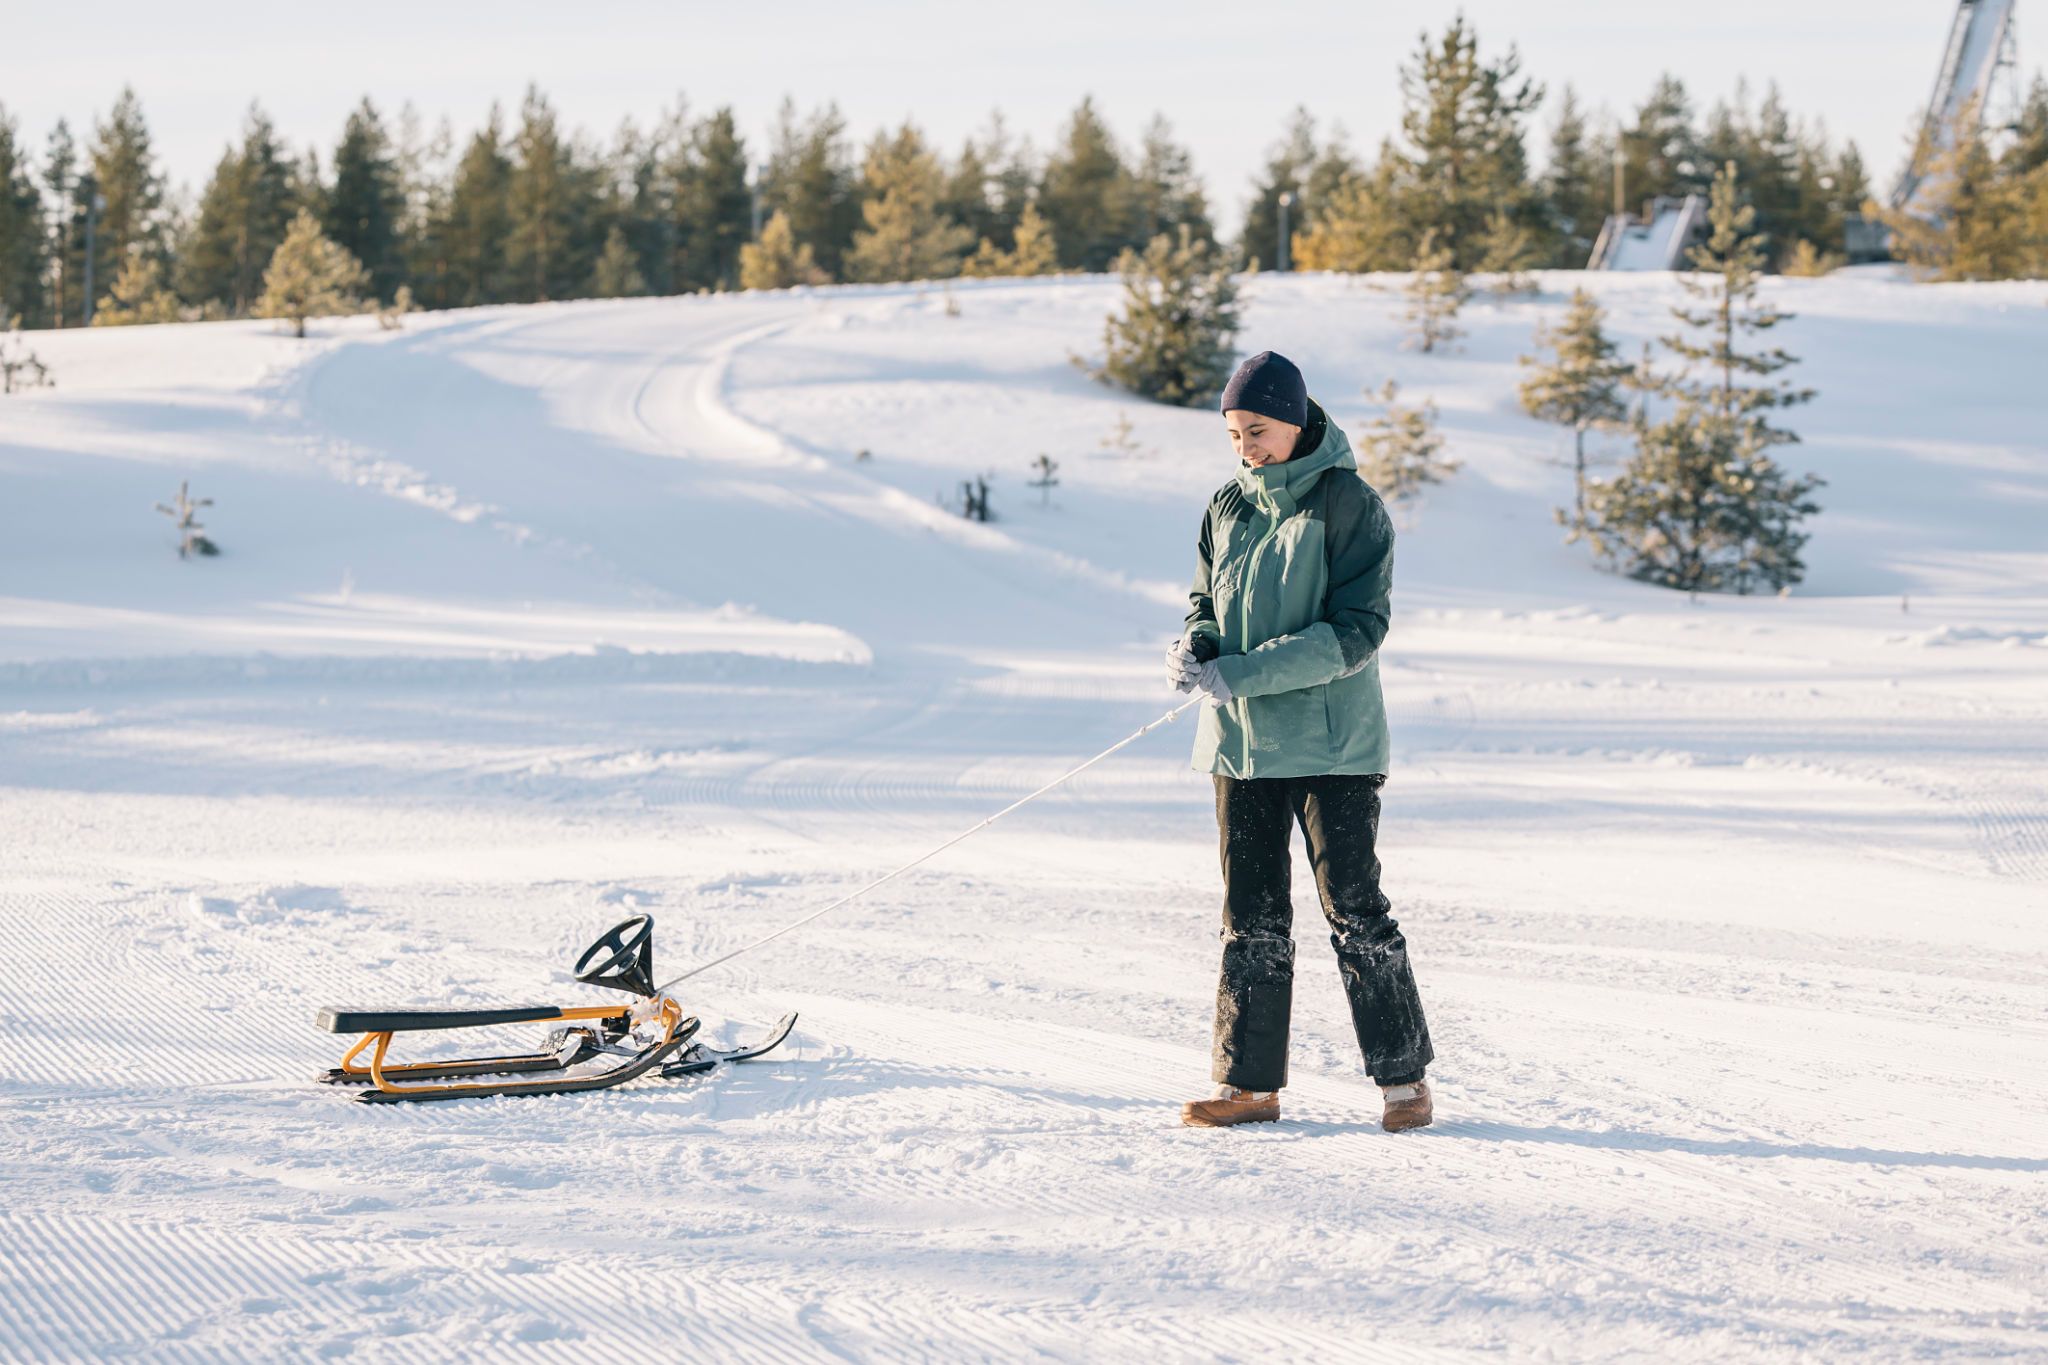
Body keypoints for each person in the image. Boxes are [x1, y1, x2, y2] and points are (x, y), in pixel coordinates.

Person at [1165, 350, 1434, 1132]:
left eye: (1257, 430)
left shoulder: (1348, 503)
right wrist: (1197, 646)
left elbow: (1356, 632)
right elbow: (1204, 601)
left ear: (1294, 419)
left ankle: (1404, 1081)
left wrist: (1243, 672)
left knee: (1354, 908)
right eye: (1234, 434)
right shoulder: (1227, 506)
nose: (1245, 447)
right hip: (1241, 746)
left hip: (1332, 746)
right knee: (1250, 916)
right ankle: (1248, 1086)